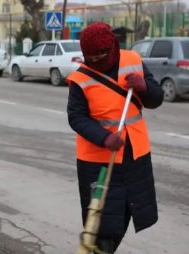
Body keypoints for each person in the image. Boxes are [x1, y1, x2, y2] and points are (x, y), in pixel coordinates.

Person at [66, 22, 164, 253]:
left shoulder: (133, 60)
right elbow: (76, 117)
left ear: (113, 46)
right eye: (90, 56)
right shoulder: (80, 79)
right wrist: (104, 137)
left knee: (127, 214)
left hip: (134, 157)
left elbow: (156, 98)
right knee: (103, 226)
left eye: (101, 54)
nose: (96, 60)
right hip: (98, 161)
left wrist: (143, 87)